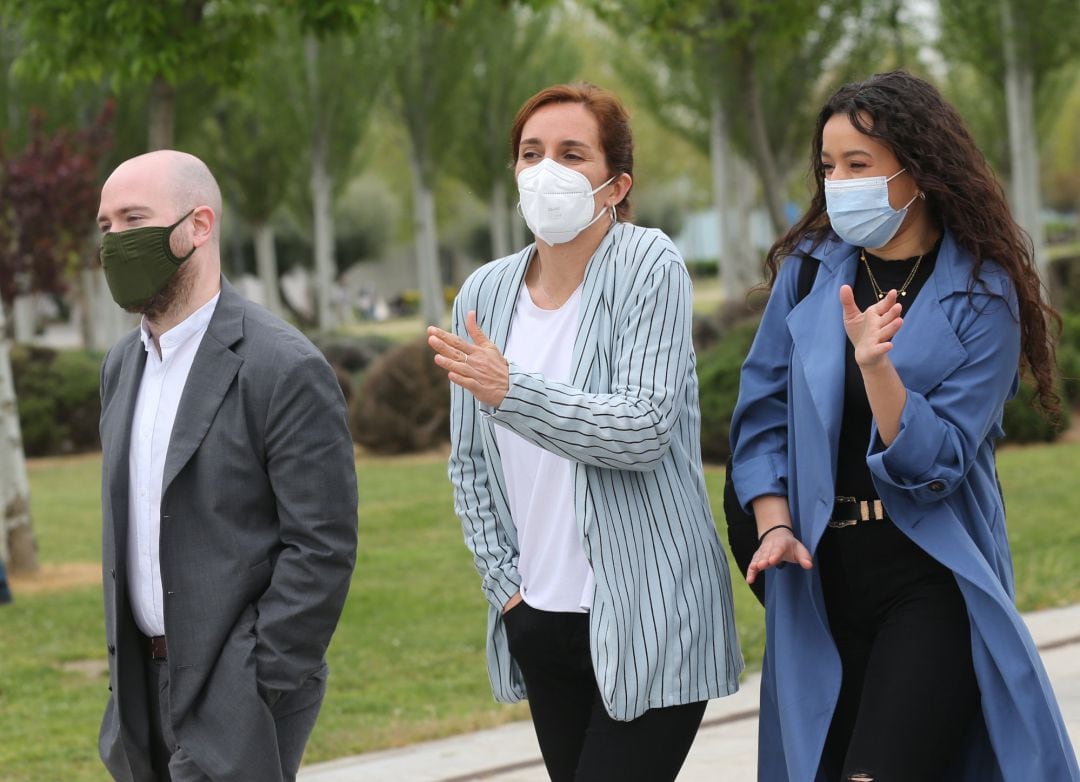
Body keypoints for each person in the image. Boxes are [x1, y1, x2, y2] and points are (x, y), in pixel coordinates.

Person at [730, 70, 1080, 781]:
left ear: (917, 169)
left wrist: (876, 368)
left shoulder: (983, 292)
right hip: (818, 576)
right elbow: (760, 416)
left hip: (932, 575)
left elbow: (938, 463)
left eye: (858, 165)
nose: (838, 183)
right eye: (828, 167)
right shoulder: (808, 272)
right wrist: (772, 523)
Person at [427, 83, 742, 782]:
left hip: (651, 615)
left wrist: (513, 391)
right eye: (531, 153)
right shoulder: (482, 293)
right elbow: (471, 466)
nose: (547, 170)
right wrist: (507, 592)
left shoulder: (648, 265)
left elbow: (642, 429)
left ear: (616, 183)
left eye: (572, 154)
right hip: (539, 615)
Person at [96, 150, 358, 782]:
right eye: (105, 226)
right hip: (141, 687)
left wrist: (256, 676)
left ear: (199, 225)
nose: (114, 243)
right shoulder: (120, 368)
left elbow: (321, 548)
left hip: (239, 689)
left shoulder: (284, 367)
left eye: (134, 219)